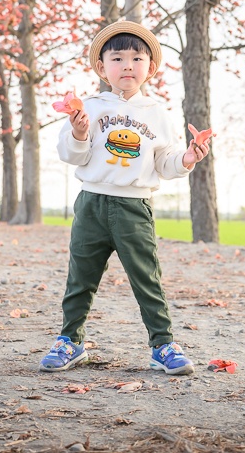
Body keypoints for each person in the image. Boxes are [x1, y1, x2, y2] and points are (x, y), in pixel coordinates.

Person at [39, 20, 211, 376]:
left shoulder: (157, 113)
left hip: (134, 207)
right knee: (80, 277)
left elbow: (164, 161)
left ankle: (163, 344)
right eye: (117, 58)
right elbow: (73, 155)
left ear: (150, 68)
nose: (128, 65)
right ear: (103, 67)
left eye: (137, 58)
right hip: (92, 204)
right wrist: (79, 131)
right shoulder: (89, 107)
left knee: (147, 278)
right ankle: (70, 340)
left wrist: (188, 159)